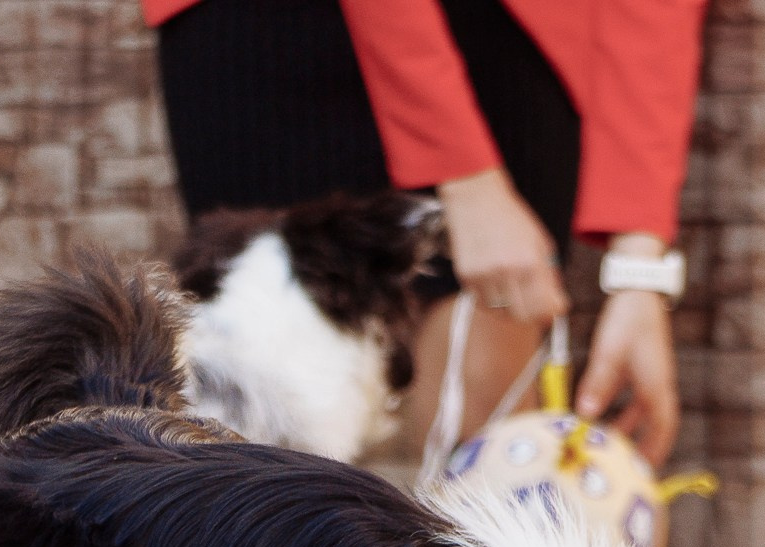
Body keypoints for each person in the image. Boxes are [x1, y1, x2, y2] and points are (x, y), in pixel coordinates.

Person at [148, 0, 706, 465]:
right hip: (271, 28)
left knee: (488, 451)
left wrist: (640, 265)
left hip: (506, 31)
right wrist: (465, 178)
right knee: (266, 440)